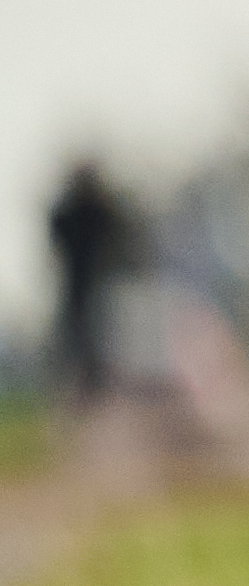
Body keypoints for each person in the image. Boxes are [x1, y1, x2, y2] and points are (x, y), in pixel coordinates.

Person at [45, 155, 144, 402]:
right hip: (83, 287)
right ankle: (83, 390)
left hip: (98, 287)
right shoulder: (84, 212)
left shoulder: (90, 212)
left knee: (99, 340)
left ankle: (97, 389)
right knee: (80, 340)